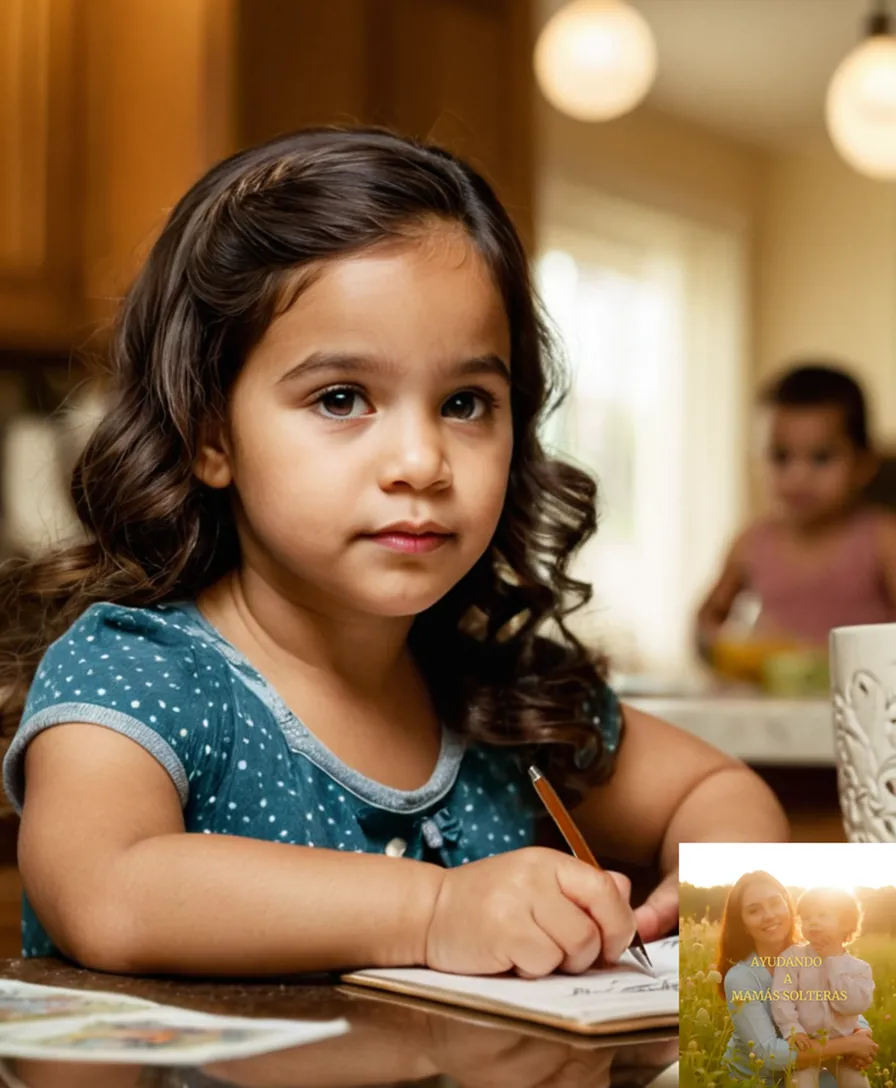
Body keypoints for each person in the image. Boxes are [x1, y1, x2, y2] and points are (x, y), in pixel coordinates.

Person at [0, 128, 787, 978]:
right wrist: (437, 911)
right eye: (342, 398)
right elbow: (109, 892)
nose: (421, 462)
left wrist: (722, 885)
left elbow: (719, 790)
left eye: (465, 402)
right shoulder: (136, 673)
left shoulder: (504, 696)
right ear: (210, 434)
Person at [697, 364, 896, 656]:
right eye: (780, 457)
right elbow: (708, 617)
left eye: (821, 458)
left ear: (863, 464)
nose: (798, 477)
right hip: (769, 698)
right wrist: (722, 645)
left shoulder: (882, 539)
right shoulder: (752, 542)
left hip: (860, 696)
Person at [718, 872, 878, 1085]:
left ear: (788, 907)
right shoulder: (741, 978)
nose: (769, 915)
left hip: (812, 1063)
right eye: (754, 910)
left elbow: (837, 1000)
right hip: (758, 1079)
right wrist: (849, 1045)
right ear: (744, 925)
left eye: (775, 903)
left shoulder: (815, 953)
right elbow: (768, 1054)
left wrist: (862, 1032)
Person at [770, 887, 874, 1088]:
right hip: (807, 1044)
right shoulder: (792, 958)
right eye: (807, 917)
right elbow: (781, 997)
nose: (813, 922)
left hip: (843, 1049)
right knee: (801, 1084)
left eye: (822, 915)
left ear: (845, 923)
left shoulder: (859, 969)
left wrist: (833, 962)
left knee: (858, 1083)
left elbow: (852, 1006)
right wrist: (793, 1030)